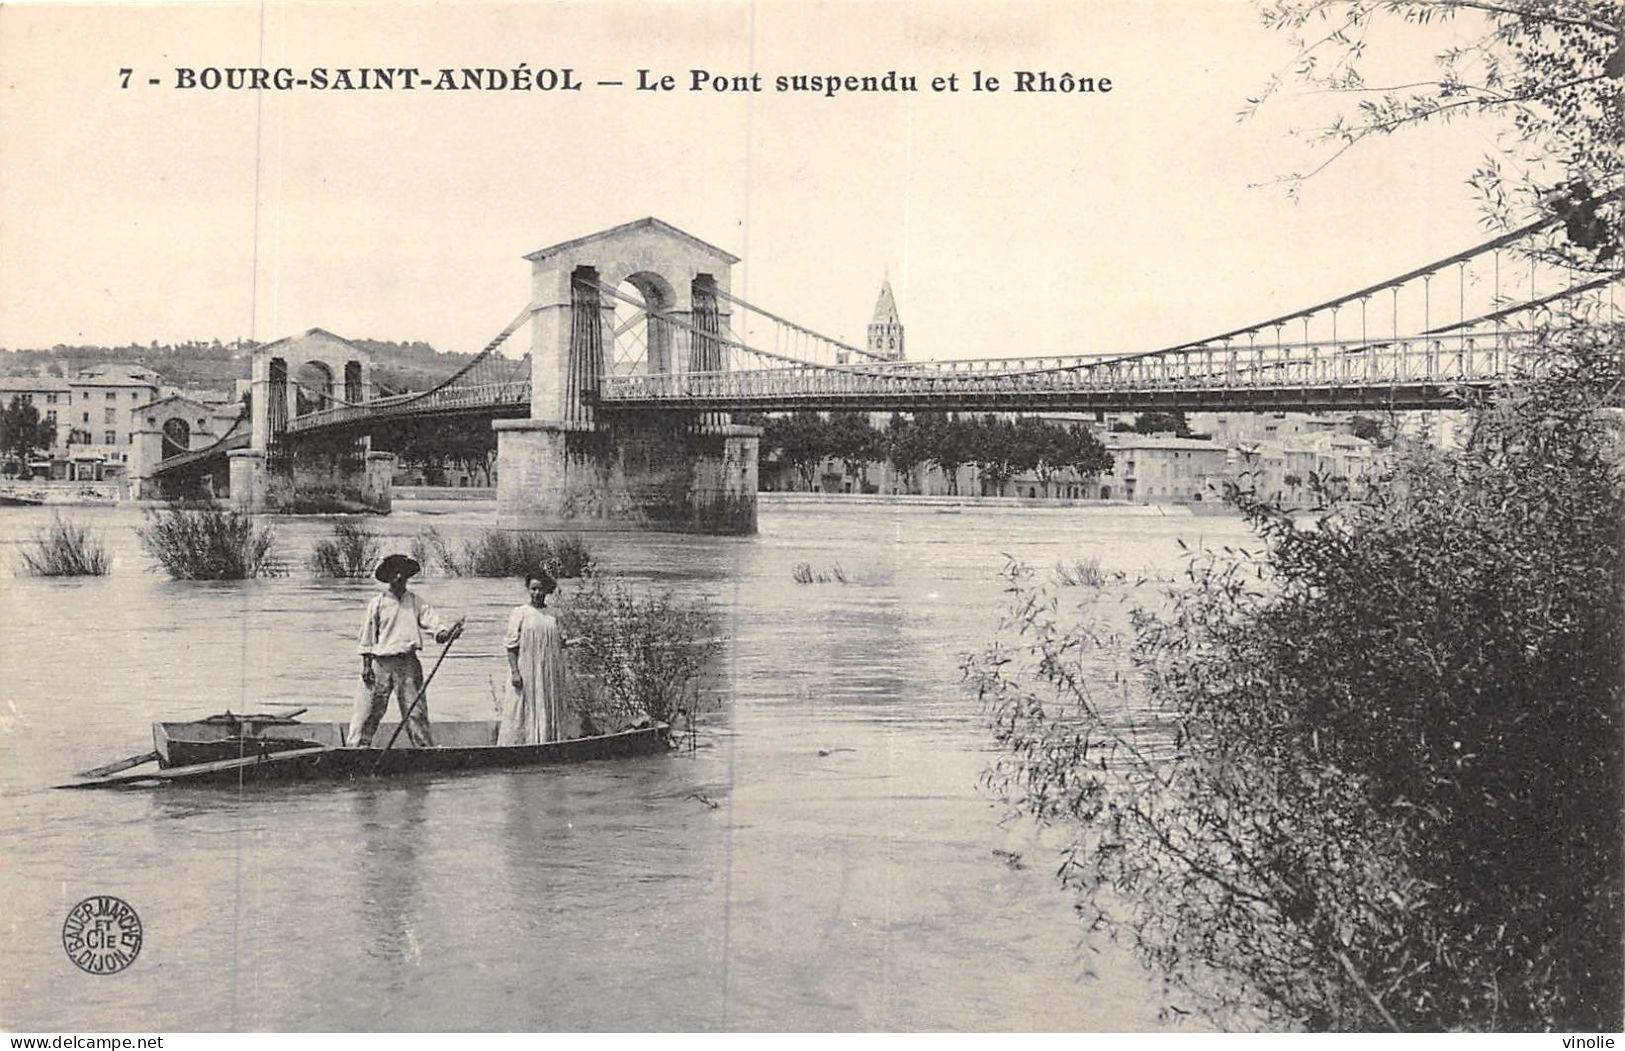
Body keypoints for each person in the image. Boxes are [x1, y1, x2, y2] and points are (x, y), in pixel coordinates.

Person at [351, 553, 463, 748]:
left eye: (402, 573)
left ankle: (423, 750)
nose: (399, 577)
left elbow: (435, 627)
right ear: (388, 577)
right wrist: (366, 667)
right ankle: (358, 748)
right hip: (381, 663)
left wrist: (448, 633)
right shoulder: (377, 603)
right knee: (369, 710)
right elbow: (367, 638)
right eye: (395, 573)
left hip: (408, 663)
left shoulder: (415, 602)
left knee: (415, 712)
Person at [499, 570, 570, 745]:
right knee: (522, 707)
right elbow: (511, 646)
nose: (537, 593)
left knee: (547, 705)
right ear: (528, 589)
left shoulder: (553, 614)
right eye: (533, 589)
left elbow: (557, 643)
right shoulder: (519, 613)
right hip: (527, 670)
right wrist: (515, 672)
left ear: (546, 590)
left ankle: (547, 742)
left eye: (540, 589)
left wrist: (577, 642)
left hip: (548, 671)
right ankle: (520, 744)